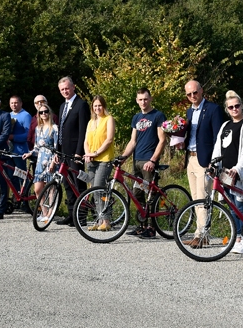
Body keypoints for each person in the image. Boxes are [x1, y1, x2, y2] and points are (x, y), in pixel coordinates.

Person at [211, 90, 243, 254]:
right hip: (226, 173)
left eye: (237, 106)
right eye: (230, 107)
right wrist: (213, 164)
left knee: (241, 205)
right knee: (232, 207)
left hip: (240, 174)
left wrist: (238, 168)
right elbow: (218, 147)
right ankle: (237, 239)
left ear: (241, 106)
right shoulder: (225, 125)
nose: (234, 109)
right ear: (227, 109)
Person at [180, 80, 224, 247]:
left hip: (204, 160)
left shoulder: (213, 109)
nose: (192, 96)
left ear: (201, 91)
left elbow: (218, 138)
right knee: (195, 197)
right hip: (191, 158)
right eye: (189, 94)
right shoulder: (189, 111)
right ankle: (199, 233)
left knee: (203, 197)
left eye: (195, 92)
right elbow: (191, 135)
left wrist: (214, 162)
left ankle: (203, 235)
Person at [119, 87, 166, 239]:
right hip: (137, 161)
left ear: (150, 99)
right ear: (136, 101)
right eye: (140, 99)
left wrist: (153, 160)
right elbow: (132, 141)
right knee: (137, 193)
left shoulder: (158, 115)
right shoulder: (136, 117)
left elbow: (162, 140)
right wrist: (123, 157)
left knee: (150, 195)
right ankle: (142, 225)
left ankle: (151, 228)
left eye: (146, 99)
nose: (143, 102)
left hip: (148, 161)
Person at [56, 77, 90, 225]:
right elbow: (61, 130)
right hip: (64, 151)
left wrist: (79, 152)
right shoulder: (62, 106)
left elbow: (83, 130)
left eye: (67, 88)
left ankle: (81, 216)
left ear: (73, 87)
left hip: (75, 151)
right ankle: (71, 214)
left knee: (78, 183)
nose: (65, 91)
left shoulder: (81, 105)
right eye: (62, 89)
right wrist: (57, 151)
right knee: (67, 183)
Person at [82, 95, 116, 230]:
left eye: (99, 105)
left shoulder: (109, 119)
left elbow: (109, 139)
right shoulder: (91, 122)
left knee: (98, 188)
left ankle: (106, 221)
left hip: (104, 159)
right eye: (95, 106)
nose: (97, 108)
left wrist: (96, 153)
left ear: (104, 106)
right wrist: (88, 154)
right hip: (92, 160)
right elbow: (86, 141)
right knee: (93, 190)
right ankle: (99, 220)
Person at [24, 103, 58, 223]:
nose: (43, 114)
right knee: (37, 188)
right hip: (40, 160)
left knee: (51, 189)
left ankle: (50, 213)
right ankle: (43, 212)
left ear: (50, 113)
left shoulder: (54, 128)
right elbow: (37, 147)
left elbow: (56, 147)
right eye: (41, 112)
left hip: (50, 159)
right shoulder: (38, 128)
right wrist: (30, 153)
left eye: (46, 111)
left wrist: (53, 162)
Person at [9, 95, 33, 212]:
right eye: (12, 103)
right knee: (12, 176)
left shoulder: (26, 115)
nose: (14, 105)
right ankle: (16, 199)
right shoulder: (9, 115)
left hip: (20, 151)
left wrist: (13, 137)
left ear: (21, 103)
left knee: (22, 176)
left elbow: (28, 134)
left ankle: (25, 201)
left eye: (16, 103)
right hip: (10, 151)